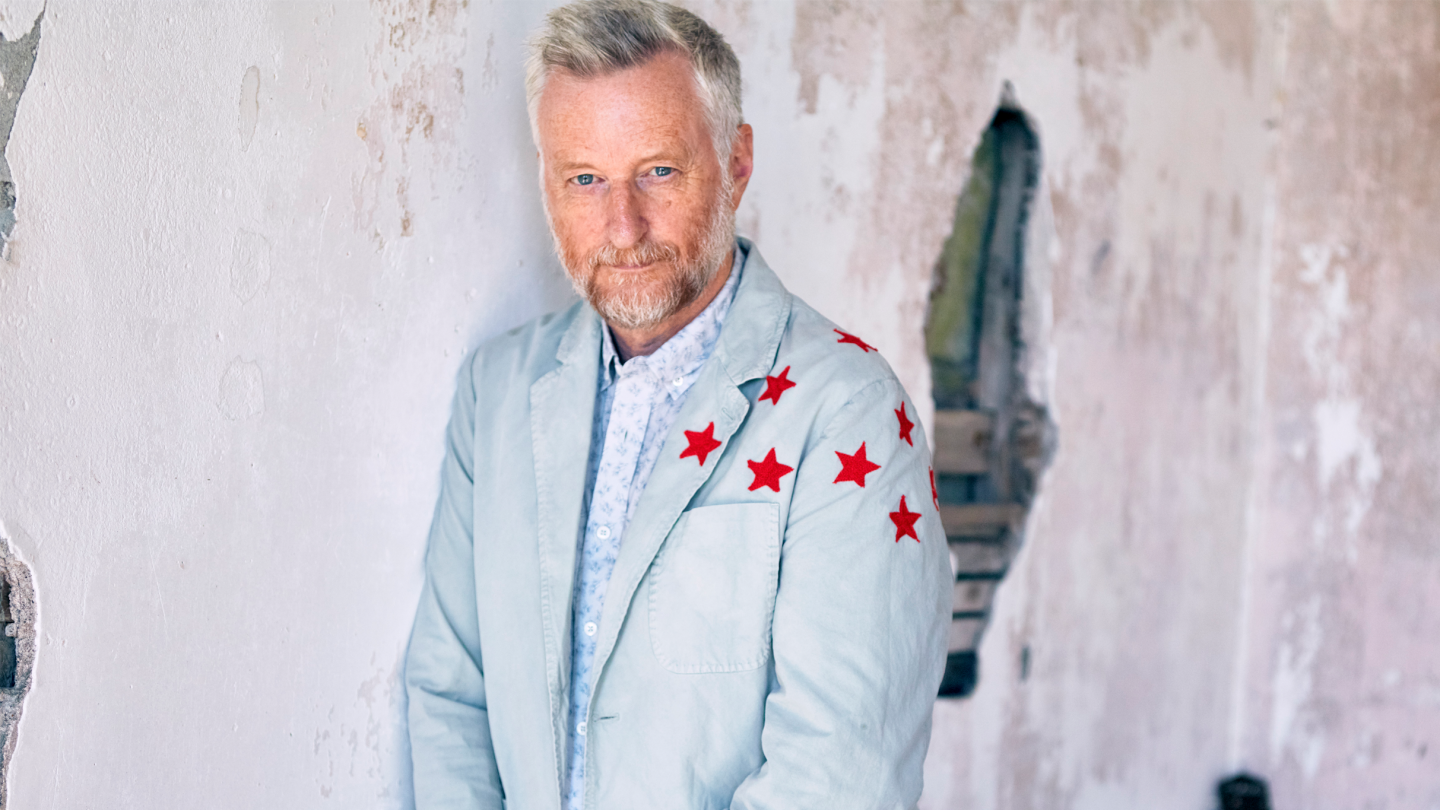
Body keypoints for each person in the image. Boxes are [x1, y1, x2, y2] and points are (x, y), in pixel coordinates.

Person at [404, 1, 950, 807]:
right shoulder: (499, 390)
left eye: (658, 171)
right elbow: (450, 693)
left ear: (736, 162)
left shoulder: (849, 413)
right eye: (584, 179)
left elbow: (842, 774)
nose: (622, 226)